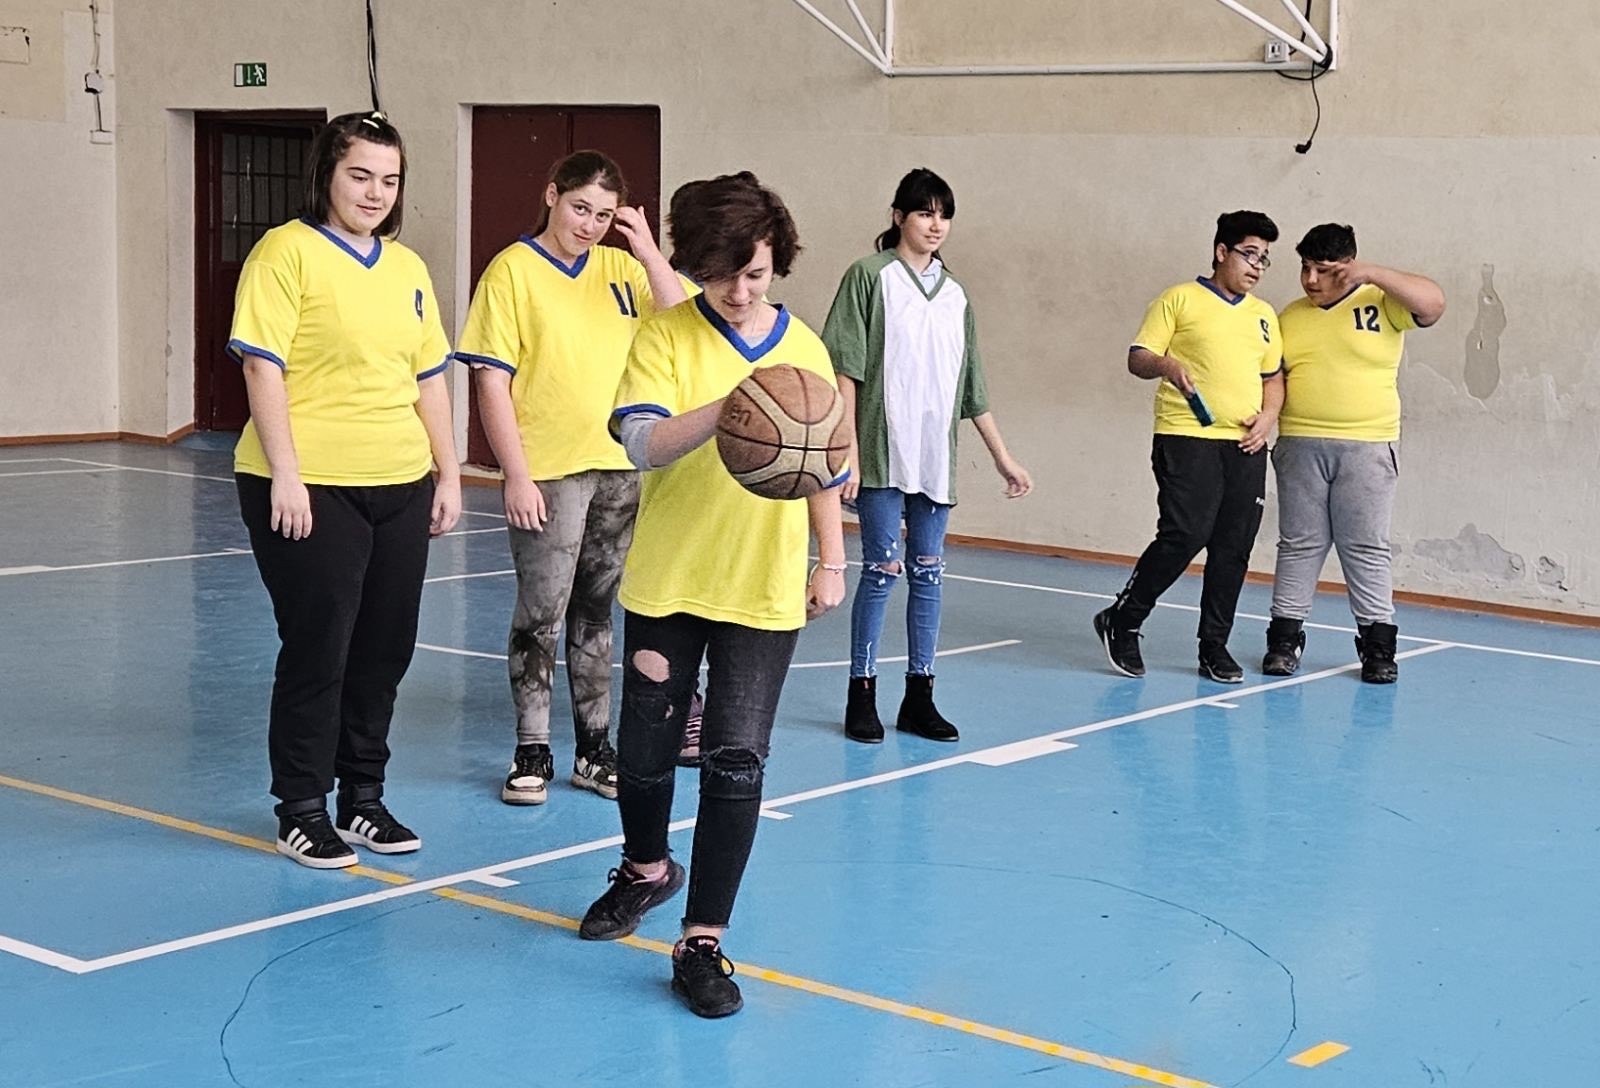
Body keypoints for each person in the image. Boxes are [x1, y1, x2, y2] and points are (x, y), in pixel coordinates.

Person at [577, 172, 847, 1019]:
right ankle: (646, 868)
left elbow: (827, 466)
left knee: (735, 761)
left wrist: (832, 559)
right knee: (644, 752)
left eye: (755, 273)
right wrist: (736, 406)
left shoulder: (805, 350)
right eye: (721, 274)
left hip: (761, 586)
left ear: (777, 262)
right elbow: (642, 443)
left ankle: (702, 941)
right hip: (670, 579)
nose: (739, 291)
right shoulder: (664, 336)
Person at [229, 111, 461, 869]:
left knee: (384, 648)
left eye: (389, 180)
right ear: (327, 174)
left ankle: (363, 796)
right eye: (360, 175)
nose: (374, 192)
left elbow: (429, 378)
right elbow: (262, 366)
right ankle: (301, 807)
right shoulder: (285, 253)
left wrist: (448, 471)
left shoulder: (408, 268)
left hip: (399, 481)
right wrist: (287, 474)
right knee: (319, 646)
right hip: (310, 484)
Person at [456, 151, 687, 806]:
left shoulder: (622, 269)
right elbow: (491, 381)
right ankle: (531, 748)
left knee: (597, 612)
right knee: (542, 613)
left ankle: (594, 747)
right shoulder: (512, 270)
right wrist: (515, 475)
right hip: (549, 472)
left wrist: (647, 250)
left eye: (604, 215)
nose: (589, 225)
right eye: (580, 208)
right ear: (552, 195)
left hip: (618, 468)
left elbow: (684, 321)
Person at [821, 168, 1032, 745]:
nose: (936, 225)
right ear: (899, 217)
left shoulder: (956, 294)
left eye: (944, 214)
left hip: (935, 459)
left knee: (929, 575)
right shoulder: (869, 277)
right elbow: (845, 369)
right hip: (881, 454)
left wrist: (1002, 457)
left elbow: (972, 388)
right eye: (924, 212)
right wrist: (849, 450)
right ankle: (861, 692)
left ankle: (920, 696)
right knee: (881, 571)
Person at [1092, 210, 1283, 683]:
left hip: (1245, 445)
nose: (1257, 266)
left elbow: (1273, 378)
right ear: (1221, 251)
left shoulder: (1263, 316)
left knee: (1233, 547)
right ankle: (1124, 618)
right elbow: (1139, 357)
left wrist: (1268, 417)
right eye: (1250, 254)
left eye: (1264, 259)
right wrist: (1168, 366)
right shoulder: (1178, 299)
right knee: (1186, 533)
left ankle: (1213, 646)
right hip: (1186, 435)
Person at [1262, 224, 1445, 683]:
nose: (1311, 279)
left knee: (1365, 545)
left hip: (1367, 446)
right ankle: (1283, 640)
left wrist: (1373, 274)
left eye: (1324, 270)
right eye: (1305, 268)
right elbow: (1273, 377)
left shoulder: (1383, 304)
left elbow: (1433, 303)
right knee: (1298, 544)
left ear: (1348, 267)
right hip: (1300, 443)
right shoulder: (1290, 316)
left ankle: (1378, 646)